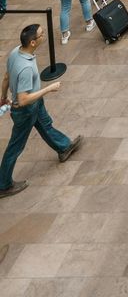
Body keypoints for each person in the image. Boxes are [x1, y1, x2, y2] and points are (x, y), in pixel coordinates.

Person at [0, 24, 82, 197]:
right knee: (15, 146)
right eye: (41, 34)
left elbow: (6, 76)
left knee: (45, 124)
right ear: (32, 42)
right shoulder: (26, 68)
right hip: (26, 109)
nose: (44, 35)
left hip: (35, 105)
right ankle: (3, 184)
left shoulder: (16, 52)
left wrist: (3, 96)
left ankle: (64, 147)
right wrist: (49, 88)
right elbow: (22, 100)